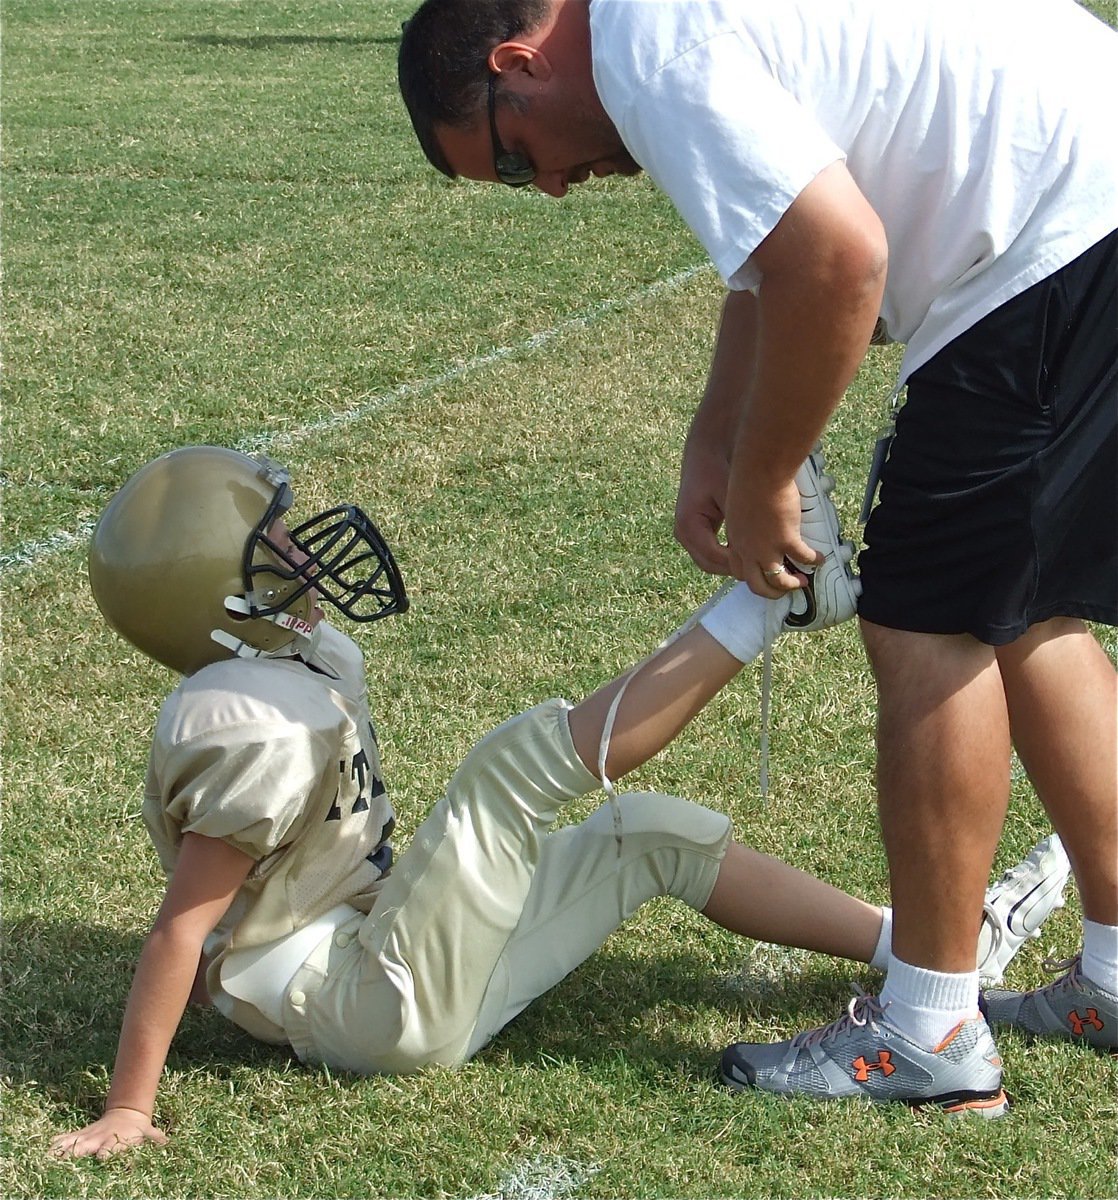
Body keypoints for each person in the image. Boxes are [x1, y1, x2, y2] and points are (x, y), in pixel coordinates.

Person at [396, 0, 1118, 1106]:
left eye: (507, 161)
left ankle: (928, 1029)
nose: (543, 188)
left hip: (1039, 231)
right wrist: (716, 436)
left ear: (516, 62)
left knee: (925, 623)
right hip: (1082, 186)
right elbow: (777, 250)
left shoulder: (647, 49)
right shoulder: (659, 24)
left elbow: (837, 258)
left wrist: (770, 474)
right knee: (1026, 611)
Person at [50, 446, 1066, 1158]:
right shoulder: (245, 723)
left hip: (387, 958)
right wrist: (129, 1106)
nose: (306, 555)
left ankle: (928, 953)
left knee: (645, 832)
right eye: (274, 553)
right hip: (364, 1007)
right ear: (211, 600)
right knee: (504, 779)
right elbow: (181, 933)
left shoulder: (292, 665)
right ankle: (767, 606)